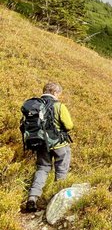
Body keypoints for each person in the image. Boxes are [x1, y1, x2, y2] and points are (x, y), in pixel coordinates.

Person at [25, 82, 74, 212]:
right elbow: (69, 125)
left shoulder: (35, 105)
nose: (59, 96)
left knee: (42, 169)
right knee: (61, 172)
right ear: (55, 92)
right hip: (59, 145)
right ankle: (57, 200)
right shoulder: (59, 106)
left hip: (41, 144)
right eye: (59, 94)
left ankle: (33, 197)